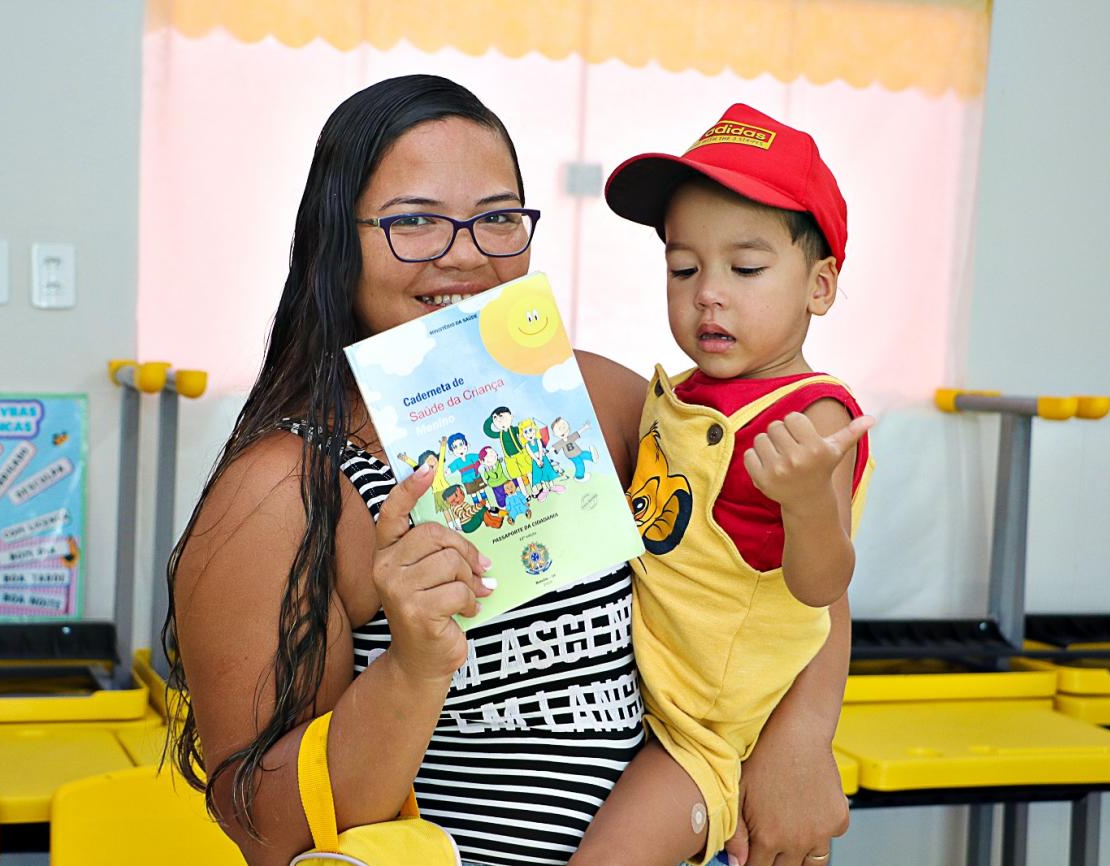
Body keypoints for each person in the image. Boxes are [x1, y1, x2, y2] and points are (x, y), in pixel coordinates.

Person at [163, 77, 853, 866]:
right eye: (413, 220)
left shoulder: (600, 401)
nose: (464, 254)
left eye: (496, 218)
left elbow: (779, 563)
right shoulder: (283, 491)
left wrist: (803, 737)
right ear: (335, 241)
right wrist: (413, 666)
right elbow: (264, 830)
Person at [571, 104, 875, 866]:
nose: (708, 292)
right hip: (632, 693)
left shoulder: (811, 415)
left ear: (820, 286)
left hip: (701, 734)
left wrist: (807, 502)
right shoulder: (685, 395)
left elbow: (822, 587)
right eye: (684, 268)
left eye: (745, 269)